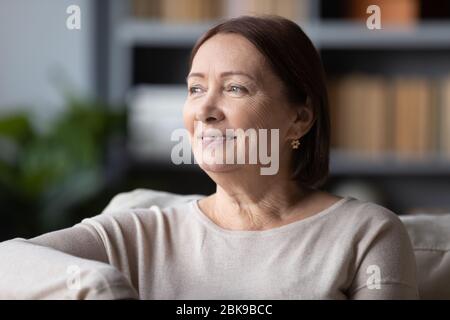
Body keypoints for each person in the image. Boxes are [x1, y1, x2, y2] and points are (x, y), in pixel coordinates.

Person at [0, 15, 418, 300]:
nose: (204, 109)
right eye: (196, 88)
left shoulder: (367, 234)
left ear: (300, 117)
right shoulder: (142, 230)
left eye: (235, 88)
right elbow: (8, 261)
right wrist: (98, 284)